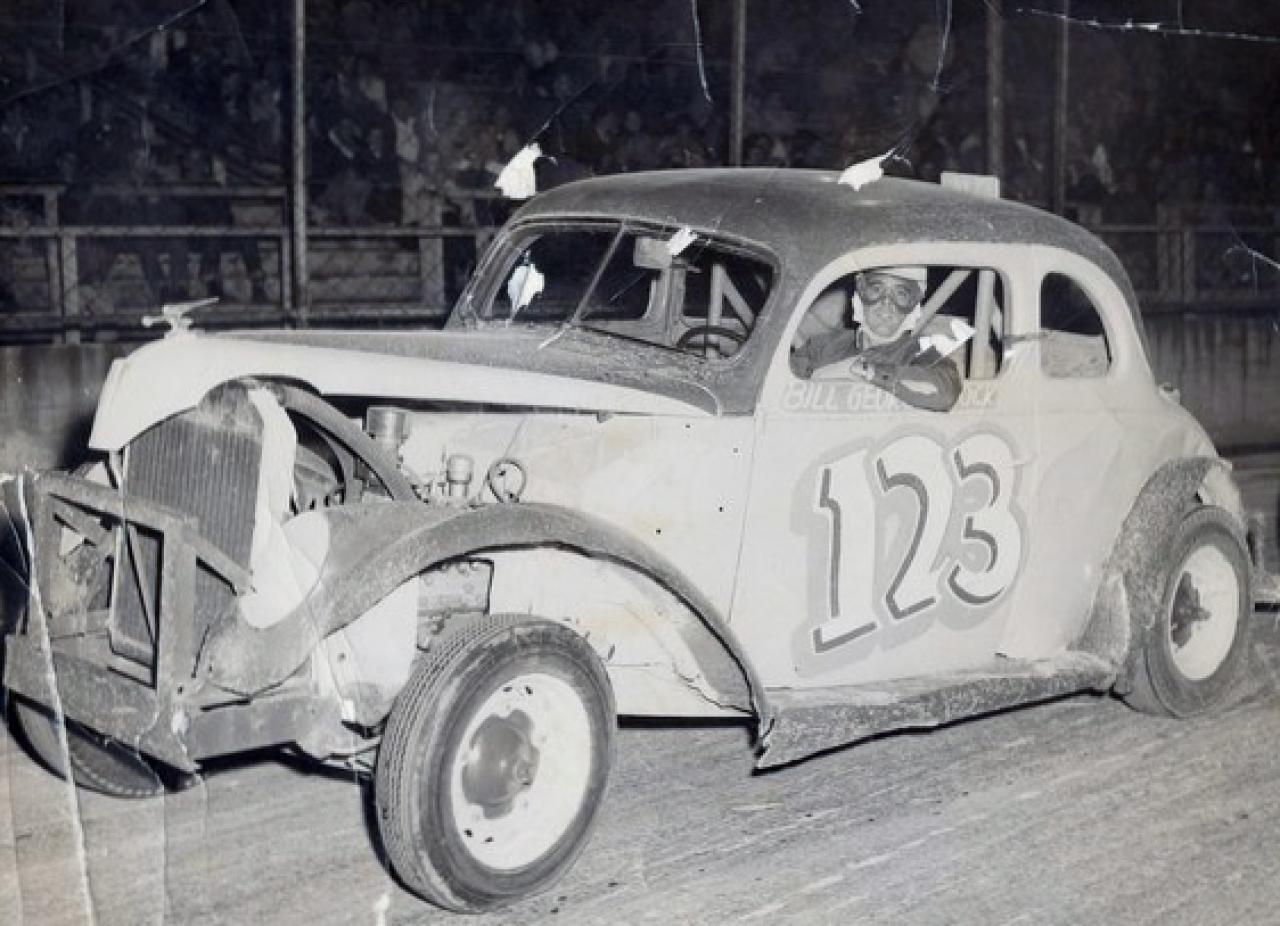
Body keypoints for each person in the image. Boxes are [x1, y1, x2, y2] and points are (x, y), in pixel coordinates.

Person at [791, 267, 963, 412]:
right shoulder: (822, 347)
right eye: (876, 289)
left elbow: (944, 392)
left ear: (913, 304)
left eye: (901, 294)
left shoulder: (922, 351)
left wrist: (869, 371)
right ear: (861, 292)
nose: (886, 304)